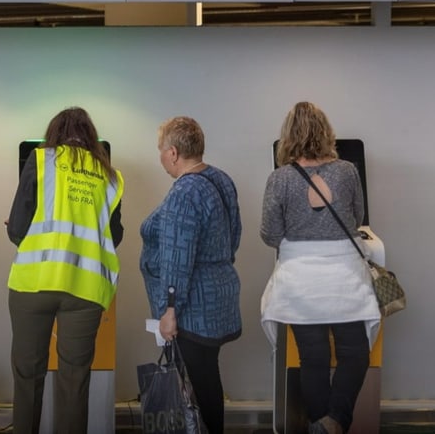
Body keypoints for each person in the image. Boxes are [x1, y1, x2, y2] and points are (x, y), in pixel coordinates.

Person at [259, 102, 380, 434]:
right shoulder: (346, 171)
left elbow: (269, 234)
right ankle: (335, 421)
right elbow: (357, 219)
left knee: (312, 358)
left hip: (300, 280)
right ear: (326, 132)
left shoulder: (279, 179)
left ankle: (323, 423)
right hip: (344, 276)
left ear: (287, 137)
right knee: (355, 352)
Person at [6, 106, 124, 434]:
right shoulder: (111, 177)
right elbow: (115, 236)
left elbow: (17, 228)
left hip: (34, 285)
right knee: (75, 379)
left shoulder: (41, 160)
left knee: (28, 375)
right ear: (89, 136)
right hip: (86, 290)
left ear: (55, 132)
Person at [139, 116, 242, 434]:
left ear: (172, 152)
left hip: (192, 309)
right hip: (219, 297)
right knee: (207, 378)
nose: (161, 158)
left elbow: (176, 258)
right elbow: (234, 235)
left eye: (160, 151)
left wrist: (170, 310)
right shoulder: (220, 179)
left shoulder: (183, 192)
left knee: (198, 386)